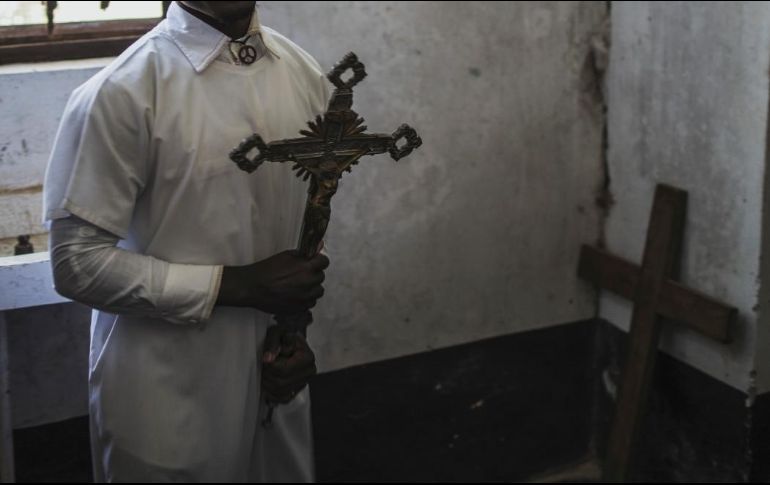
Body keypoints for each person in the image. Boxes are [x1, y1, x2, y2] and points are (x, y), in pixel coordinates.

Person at [43, 1, 330, 481]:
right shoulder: (122, 92)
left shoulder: (301, 72)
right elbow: (76, 264)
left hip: (275, 378)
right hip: (165, 396)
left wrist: (294, 333)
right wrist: (236, 287)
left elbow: (301, 225)